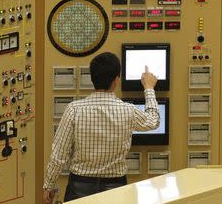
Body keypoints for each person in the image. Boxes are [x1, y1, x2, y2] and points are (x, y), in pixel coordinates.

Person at [43, 52, 160, 203]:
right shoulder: (127, 110)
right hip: (116, 188)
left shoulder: (74, 109)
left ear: (92, 78)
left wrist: (49, 185)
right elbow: (153, 121)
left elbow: (59, 154)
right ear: (116, 80)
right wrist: (149, 88)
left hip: (79, 187)